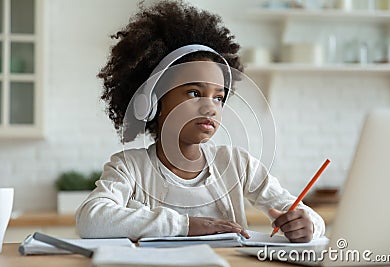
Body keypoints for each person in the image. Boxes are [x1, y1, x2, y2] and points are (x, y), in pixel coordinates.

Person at [76, 0, 325, 243]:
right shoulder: (130, 167)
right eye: (194, 93)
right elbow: (90, 219)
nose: (210, 107)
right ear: (155, 101)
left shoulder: (237, 165)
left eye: (218, 97)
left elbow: (305, 215)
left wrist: (309, 224)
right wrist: (186, 226)